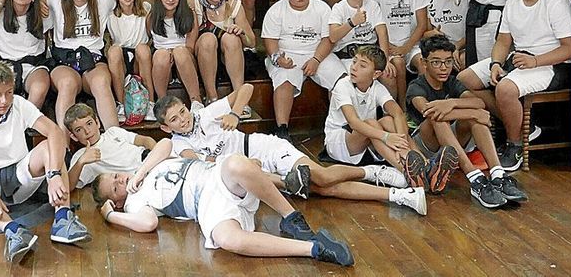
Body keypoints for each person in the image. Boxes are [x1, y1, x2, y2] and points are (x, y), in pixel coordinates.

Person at [155, 84, 426, 212]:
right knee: (317, 188)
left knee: (320, 176)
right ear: (166, 128)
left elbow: (247, 88)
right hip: (249, 174)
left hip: (262, 148)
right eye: (175, 120)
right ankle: (396, 195)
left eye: (182, 111)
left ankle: (370, 173)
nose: (183, 119)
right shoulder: (179, 147)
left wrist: (235, 114)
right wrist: (254, 171)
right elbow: (208, 166)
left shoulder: (205, 114)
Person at [94, 145, 355, 266]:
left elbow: (165, 144)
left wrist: (140, 172)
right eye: (115, 186)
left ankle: (292, 218)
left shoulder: (146, 168)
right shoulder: (134, 204)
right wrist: (111, 217)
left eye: (116, 175)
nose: (121, 180)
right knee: (226, 239)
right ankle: (315, 248)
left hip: (214, 174)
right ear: (116, 201)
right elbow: (148, 223)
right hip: (204, 204)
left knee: (234, 163)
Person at [0, 60, 90, 263]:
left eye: (8, 92)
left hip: (19, 175)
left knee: (51, 146)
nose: (4, 100)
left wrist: (53, 174)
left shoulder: (18, 103)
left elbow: (53, 131)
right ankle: (12, 231)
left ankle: (63, 219)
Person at [458, 0, 571, 171]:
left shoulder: (556, 2)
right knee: (463, 80)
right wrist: (495, 63)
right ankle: (525, 129)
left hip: (551, 63)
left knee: (505, 88)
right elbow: (503, 41)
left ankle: (515, 144)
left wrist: (536, 61)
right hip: (519, 57)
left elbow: (570, 49)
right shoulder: (512, 3)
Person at [408, 36, 527, 207]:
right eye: (436, 62)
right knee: (439, 119)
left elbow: (478, 102)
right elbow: (429, 112)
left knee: (475, 118)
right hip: (426, 147)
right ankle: (475, 179)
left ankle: (498, 174)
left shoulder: (452, 81)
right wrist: (473, 113)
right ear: (424, 62)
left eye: (448, 62)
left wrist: (451, 103)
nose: (444, 68)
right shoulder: (416, 86)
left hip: (453, 142)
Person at [323, 45, 447, 189]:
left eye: (362, 65)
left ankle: (424, 164)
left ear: (375, 74)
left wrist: (401, 141)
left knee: (388, 120)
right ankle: (408, 171)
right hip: (340, 141)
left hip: (368, 138)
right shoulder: (342, 86)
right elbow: (354, 123)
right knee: (372, 123)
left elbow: (397, 113)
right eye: (354, 61)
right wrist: (387, 137)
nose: (354, 68)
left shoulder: (377, 87)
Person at [262, 0, 344, 139]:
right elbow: (269, 40)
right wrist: (278, 58)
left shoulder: (322, 8)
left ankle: (339, 127)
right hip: (287, 54)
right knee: (284, 80)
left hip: (318, 53)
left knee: (341, 81)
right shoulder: (275, 10)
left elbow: (328, 39)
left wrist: (316, 60)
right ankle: (282, 130)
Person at [47, 0, 119, 131]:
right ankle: (63, 146)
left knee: (101, 82)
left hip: (92, 60)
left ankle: (117, 140)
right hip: (64, 62)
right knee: (67, 83)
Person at [367, 0, 428, 105]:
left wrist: (406, 48)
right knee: (398, 64)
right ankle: (403, 109)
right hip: (387, 45)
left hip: (411, 44)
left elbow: (422, 25)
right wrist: (389, 46)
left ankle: (425, 106)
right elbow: (373, 21)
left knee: (424, 63)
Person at [189, 0, 255, 107]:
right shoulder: (193, 1)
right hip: (202, 57)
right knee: (208, 39)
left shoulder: (234, 4)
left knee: (231, 38)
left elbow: (251, 42)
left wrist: (241, 33)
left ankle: (239, 97)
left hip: (229, 59)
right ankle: (212, 97)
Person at [64, 103, 158, 189]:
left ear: (97, 122)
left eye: (89, 124)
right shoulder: (81, 156)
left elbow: (146, 140)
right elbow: (69, 186)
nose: (87, 131)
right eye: (79, 130)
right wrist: (81, 162)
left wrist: (156, 157)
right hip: (136, 177)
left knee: (166, 143)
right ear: (73, 136)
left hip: (150, 159)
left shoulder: (113, 132)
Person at [327, 0, 395, 83]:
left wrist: (385, 59)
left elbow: (382, 32)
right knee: (346, 81)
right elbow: (333, 36)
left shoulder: (372, 5)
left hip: (371, 52)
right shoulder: (339, 8)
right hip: (349, 55)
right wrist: (352, 22)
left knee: (388, 76)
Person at [148, 0, 202, 104]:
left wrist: (174, 52)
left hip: (184, 62)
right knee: (161, 54)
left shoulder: (189, 14)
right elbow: (150, 42)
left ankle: (196, 101)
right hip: (163, 65)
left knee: (180, 52)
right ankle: (162, 102)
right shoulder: (151, 17)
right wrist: (168, 54)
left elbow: (190, 47)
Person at [106, 0, 155, 115]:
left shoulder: (146, 8)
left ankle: (151, 102)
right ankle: (121, 104)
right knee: (114, 51)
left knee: (143, 49)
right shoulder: (110, 13)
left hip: (140, 57)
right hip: (121, 57)